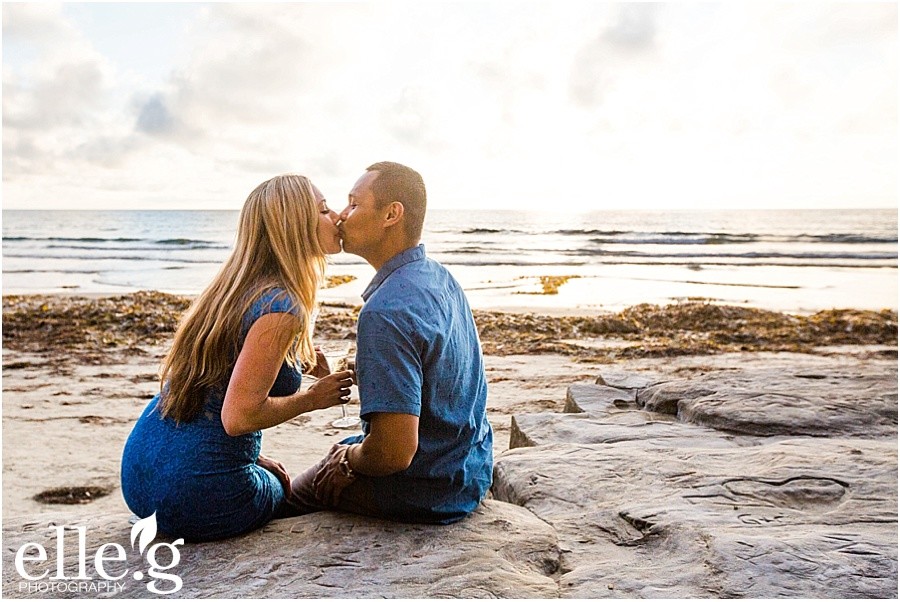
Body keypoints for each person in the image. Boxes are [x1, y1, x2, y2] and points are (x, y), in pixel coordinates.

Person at [120, 174, 354, 542]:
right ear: (295, 227)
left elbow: (218, 381)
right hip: (195, 497)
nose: (337, 216)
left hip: (139, 479)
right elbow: (238, 417)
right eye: (323, 210)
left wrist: (302, 361)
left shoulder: (231, 289)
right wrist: (313, 398)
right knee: (310, 477)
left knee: (272, 470)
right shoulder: (282, 306)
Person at [287, 161, 494, 524]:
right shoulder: (439, 277)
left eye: (354, 204)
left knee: (287, 497)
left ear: (391, 214)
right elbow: (438, 372)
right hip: (470, 468)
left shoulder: (385, 311)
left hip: (425, 488)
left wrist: (346, 461)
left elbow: (393, 453)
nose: (342, 215)